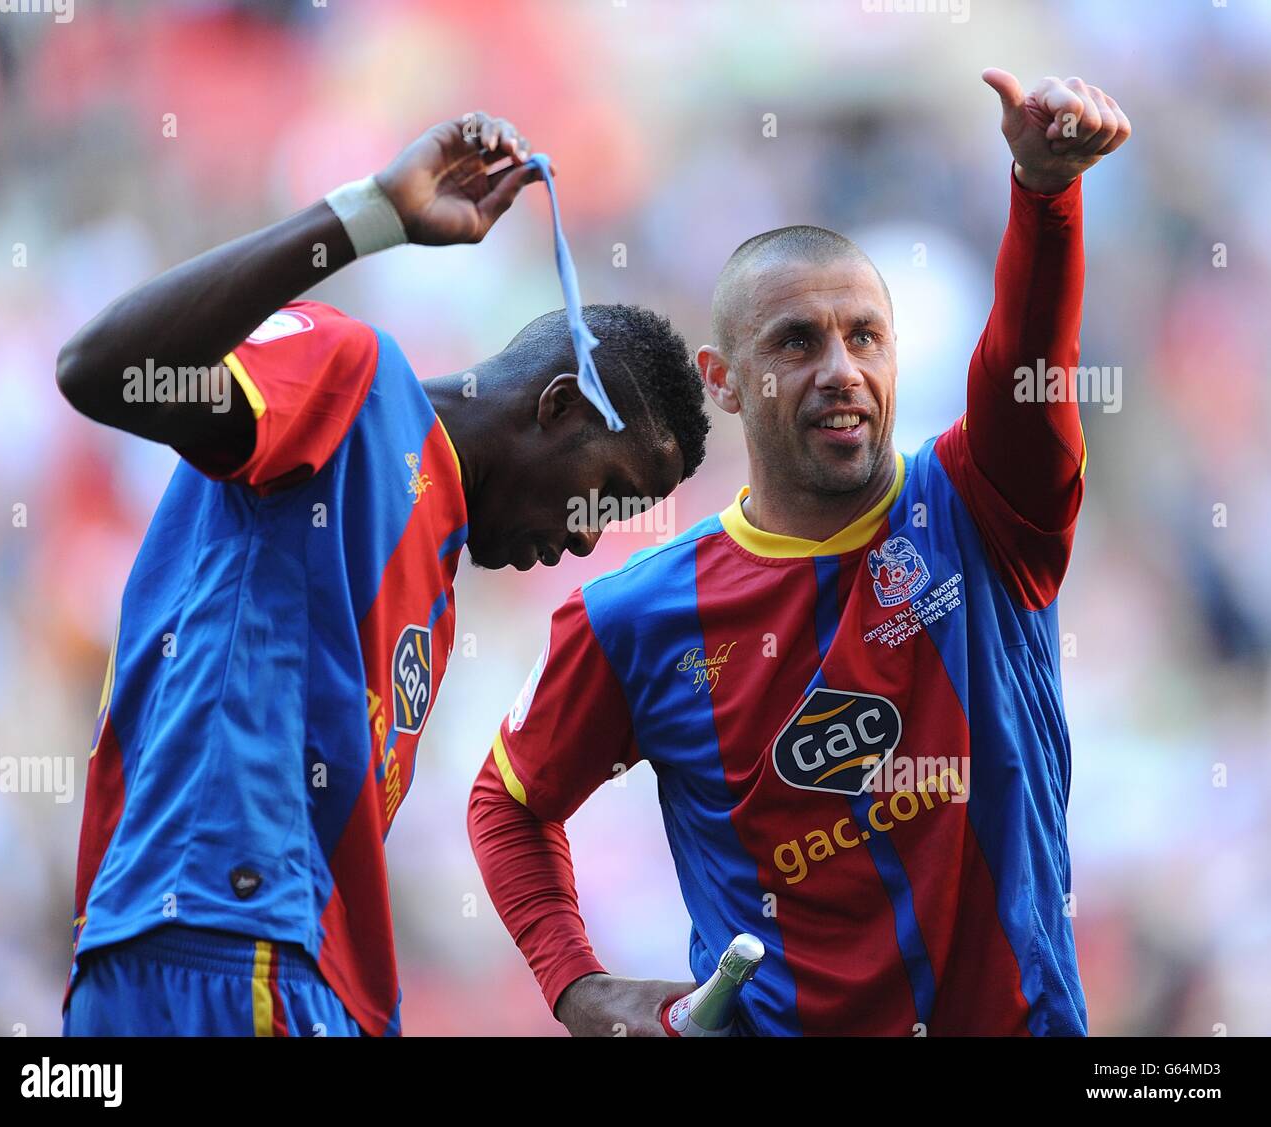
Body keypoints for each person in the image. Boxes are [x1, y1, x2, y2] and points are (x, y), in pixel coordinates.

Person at [468, 71, 1131, 1036]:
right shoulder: (635, 618)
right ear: (723, 382)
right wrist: (577, 984)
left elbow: (1032, 359)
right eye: (795, 342)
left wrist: (1044, 191)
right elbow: (509, 804)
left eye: (866, 336)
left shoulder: (984, 508)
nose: (841, 371)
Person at [57, 110, 710, 1036]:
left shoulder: (437, 577)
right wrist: (368, 217)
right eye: (604, 494)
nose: (583, 540)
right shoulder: (355, 385)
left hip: (289, 973)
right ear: (560, 406)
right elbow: (106, 369)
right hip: (221, 945)